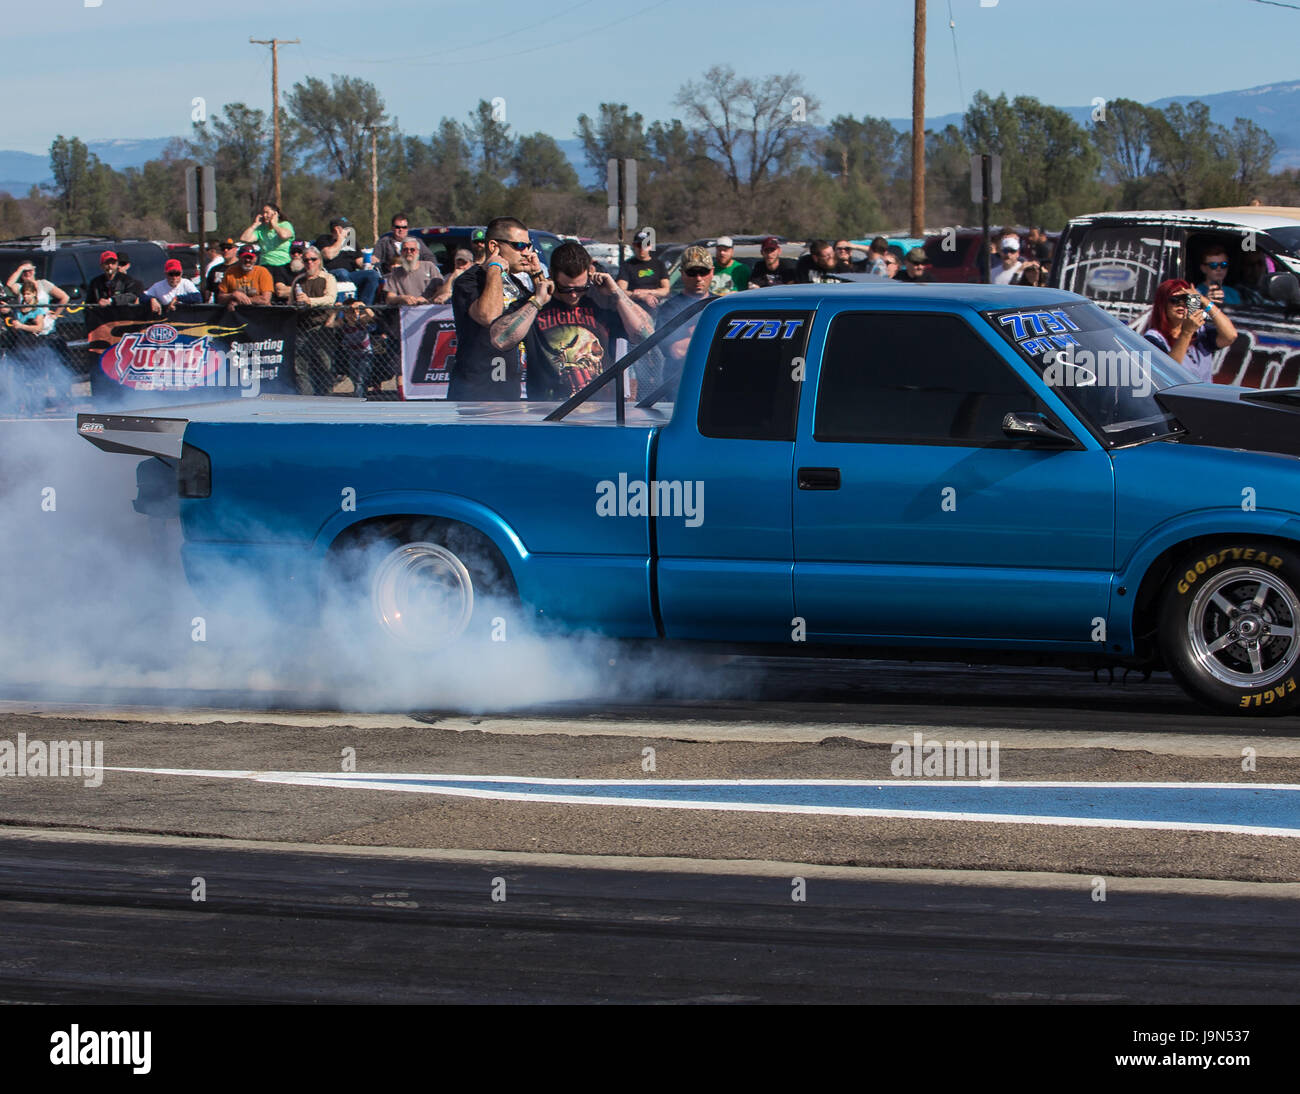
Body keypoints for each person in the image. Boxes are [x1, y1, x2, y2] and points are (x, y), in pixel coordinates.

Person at [523, 241, 653, 399]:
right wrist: (537, 301)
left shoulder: (602, 300)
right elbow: (500, 340)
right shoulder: (537, 304)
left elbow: (645, 334)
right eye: (566, 288)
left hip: (601, 410)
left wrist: (616, 293)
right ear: (552, 275)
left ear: (589, 274)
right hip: (549, 409)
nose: (573, 295)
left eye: (580, 288)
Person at [449, 216, 542, 400]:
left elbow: (545, 308)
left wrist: (537, 275)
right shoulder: (468, 281)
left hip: (510, 391)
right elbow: (488, 316)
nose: (526, 253)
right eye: (520, 246)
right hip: (475, 392)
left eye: (529, 246)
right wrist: (494, 267)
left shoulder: (516, 283)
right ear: (494, 246)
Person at [1141, 278, 1238, 383]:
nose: (1181, 304)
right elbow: (1169, 371)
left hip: (1205, 396)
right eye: (1175, 300)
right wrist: (1186, 333)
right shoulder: (1153, 338)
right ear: (1163, 304)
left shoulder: (1201, 332)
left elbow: (1230, 336)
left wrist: (1203, 301)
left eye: (1186, 299)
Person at [653, 245, 719, 386]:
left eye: (703, 271)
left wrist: (694, 335)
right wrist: (715, 336)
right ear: (682, 273)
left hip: (716, 380)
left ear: (712, 272)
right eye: (692, 272)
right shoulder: (669, 309)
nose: (698, 278)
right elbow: (677, 350)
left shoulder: (721, 305)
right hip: (681, 384)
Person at [291, 246, 339, 395]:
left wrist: (309, 301)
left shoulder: (328, 278)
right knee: (300, 369)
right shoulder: (298, 280)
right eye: (306, 260)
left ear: (319, 261)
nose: (310, 263)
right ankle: (307, 398)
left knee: (324, 366)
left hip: (321, 329)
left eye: (313, 259)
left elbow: (330, 299)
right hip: (301, 328)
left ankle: (326, 398)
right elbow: (291, 302)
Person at [314, 217, 381, 304]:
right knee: (342, 272)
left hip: (351, 274)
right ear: (337, 229)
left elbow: (358, 261)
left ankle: (364, 307)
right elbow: (329, 255)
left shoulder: (351, 242)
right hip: (332, 275)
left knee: (372, 275)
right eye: (346, 228)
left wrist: (368, 261)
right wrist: (340, 239)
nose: (349, 231)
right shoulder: (324, 239)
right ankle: (346, 308)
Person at [240, 203, 295, 292]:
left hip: (282, 264)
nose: (265, 215)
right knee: (265, 290)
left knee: (280, 289)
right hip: (266, 264)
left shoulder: (285, 225)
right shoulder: (261, 229)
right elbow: (244, 238)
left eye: (267, 212)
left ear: (275, 214)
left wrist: (275, 224)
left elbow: (284, 235)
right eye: (263, 213)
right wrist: (255, 225)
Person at [616, 229, 670, 308]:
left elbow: (666, 290)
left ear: (650, 246)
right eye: (639, 245)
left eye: (645, 245)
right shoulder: (627, 265)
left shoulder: (659, 264)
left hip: (656, 308)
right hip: (634, 308)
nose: (642, 248)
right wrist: (639, 296)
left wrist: (647, 293)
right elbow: (620, 291)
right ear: (634, 246)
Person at [86, 250, 145, 316]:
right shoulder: (95, 282)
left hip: (123, 318)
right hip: (104, 320)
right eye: (107, 263)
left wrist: (111, 301)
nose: (110, 266)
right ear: (101, 266)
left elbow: (131, 296)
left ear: (117, 264)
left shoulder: (127, 280)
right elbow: (89, 303)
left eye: (113, 263)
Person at [384, 240, 443, 305]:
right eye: (405, 249)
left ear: (418, 252)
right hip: (406, 311)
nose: (409, 252)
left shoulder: (429, 266)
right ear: (401, 252)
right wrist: (402, 298)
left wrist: (428, 299)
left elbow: (441, 290)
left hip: (430, 310)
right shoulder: (395, 272)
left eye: (412, 250)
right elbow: (389, 298)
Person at [1196, 244, 1242, 308]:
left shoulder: (1233, 293)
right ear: (1203, 268)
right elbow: (1193, 316)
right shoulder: (1195, 292)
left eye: (1223, 265)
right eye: (1213, 265)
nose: (1219, 269)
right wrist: (1206, 303)